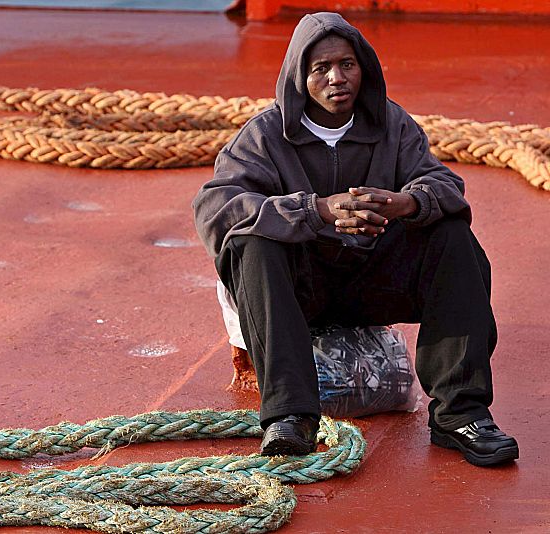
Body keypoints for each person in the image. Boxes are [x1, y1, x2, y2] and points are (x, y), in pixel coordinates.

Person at [192, 12, 518, 467]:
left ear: (363, 67)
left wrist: (406, 203)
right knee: (253, 242)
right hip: (301, 290)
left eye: (347, 64)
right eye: (320, 68)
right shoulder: (265, 135)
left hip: (372, 282)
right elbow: (216, 207)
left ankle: (460, 413)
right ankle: (290, 417)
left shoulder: (392, 125)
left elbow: (443, 184)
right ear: (299, 76)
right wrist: (317, 210)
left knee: (451, 234)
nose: (336, 78)